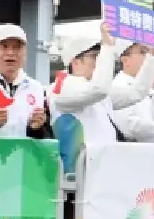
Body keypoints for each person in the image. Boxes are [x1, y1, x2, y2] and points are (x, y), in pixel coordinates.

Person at [49, 25, 119, 168]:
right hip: (78, 176)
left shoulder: (93, 89)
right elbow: (99, 90)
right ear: (75, 61)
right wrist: (107, 47)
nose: (99, 61)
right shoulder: (64, 86)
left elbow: (136, 93)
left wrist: (153, 56)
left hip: (102, 170)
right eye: (94, 56)